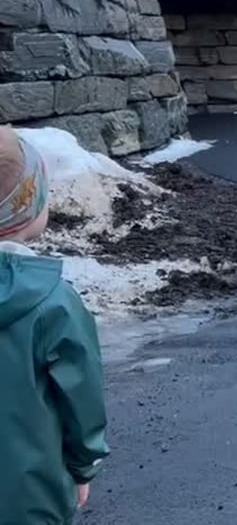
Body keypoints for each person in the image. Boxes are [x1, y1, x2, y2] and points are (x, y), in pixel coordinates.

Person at [0, 126, 111, 525]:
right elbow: (81, 398)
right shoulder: (52, 303)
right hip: (28, 499)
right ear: (29, 204)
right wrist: (83, 466)